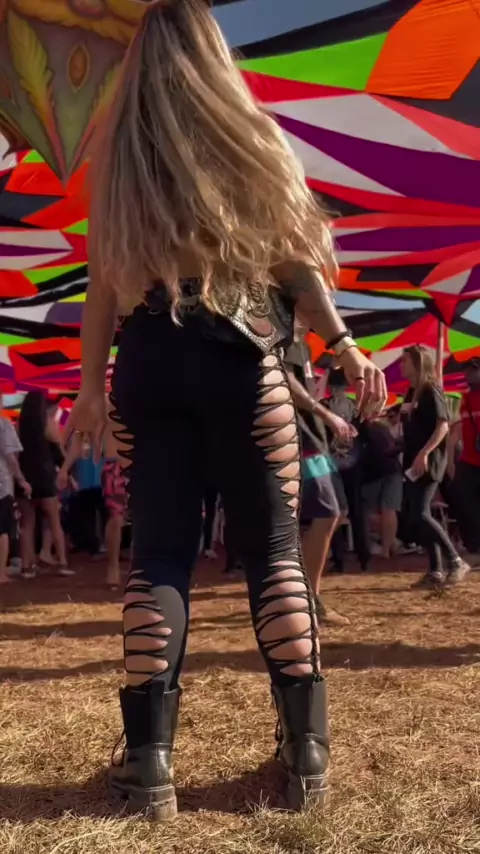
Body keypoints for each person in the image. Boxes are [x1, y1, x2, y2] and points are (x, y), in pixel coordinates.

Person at [65, 0, 386, 820]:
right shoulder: (249, 139)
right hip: (239, 355)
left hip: (145, 360)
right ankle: (305, 751)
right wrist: (343, 344)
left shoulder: (118, 155)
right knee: (276, 553)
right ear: (214, 55)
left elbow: (101, 282)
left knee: (159, 557)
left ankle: (149, 764)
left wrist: (92, 388)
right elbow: (294, 264)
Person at [285, 327, 353, 626]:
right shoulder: (285, 336)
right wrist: (328, 415)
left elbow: (306, 389)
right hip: (298, 436)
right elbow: (286, 381)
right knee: (328, 512)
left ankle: (302, 592)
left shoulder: (303, 346)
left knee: (338, 511)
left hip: (314, 439)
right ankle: (308, 600)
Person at [400, 345, 469, 588]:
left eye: (405, 361)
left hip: (428, 462)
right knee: (414, 515)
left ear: (417, 363)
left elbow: (443, 425)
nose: (401, 365)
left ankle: (455, 560)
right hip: (413, 462)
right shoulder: (412, 393)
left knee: (420, 513)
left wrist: (425, 453)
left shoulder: (431, 390)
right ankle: (435, 571)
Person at [18, 392, 71, 577]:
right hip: (44, 476)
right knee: (54, 520)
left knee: (27, 523)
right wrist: (67, 472)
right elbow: (58, 452)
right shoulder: (47, 424)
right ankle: (62, 563)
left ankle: (26, 567)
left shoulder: (19, 427)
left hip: (25, 476)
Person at [447, 359, 480, 559]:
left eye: (473, 370)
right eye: (466, 370)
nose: (468, 374)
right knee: (461, 498)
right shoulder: (465, 398)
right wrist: (451, 459)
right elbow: (458, 430)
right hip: (468, 460)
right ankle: (474, 546)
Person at [360, 415, 403, 559]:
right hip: (392, 469)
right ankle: (389, 546)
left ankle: (389, 544)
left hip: (372, 474)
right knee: (389, 510)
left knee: (366, 513)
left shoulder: (362, 426)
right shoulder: (384, 427)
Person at [0, 395, 31, 583]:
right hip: (2, 485)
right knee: (2, 530)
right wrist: (21, 480)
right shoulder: (4, 425)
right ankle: (0, 573)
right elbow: (11, 458)